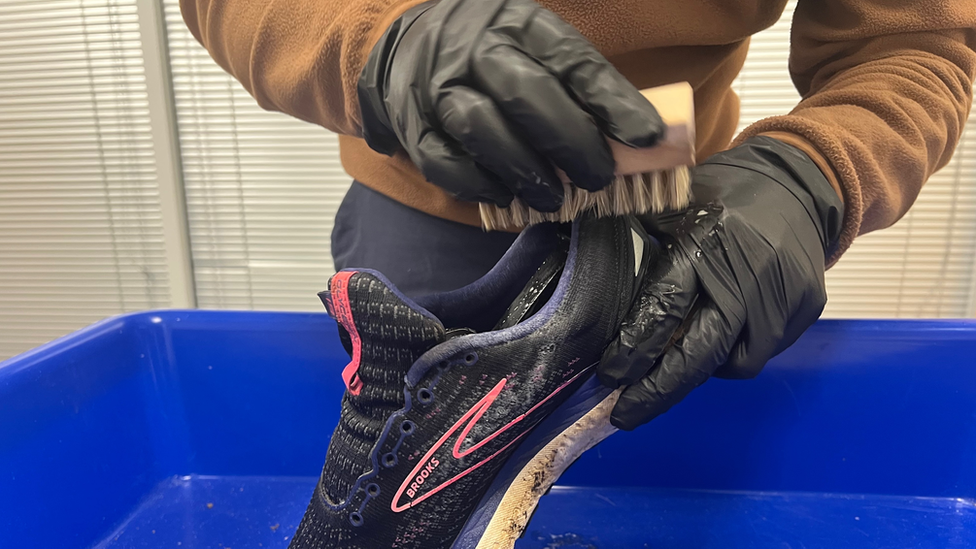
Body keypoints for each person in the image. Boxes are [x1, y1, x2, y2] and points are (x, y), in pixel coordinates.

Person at [180, 0, 975, 430]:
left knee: (639, 476)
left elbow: (919, 41)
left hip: (673, 221)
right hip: (417, 211)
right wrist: (376, 43)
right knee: (410, 457)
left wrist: (811, 171)